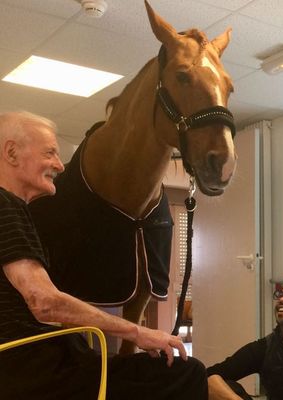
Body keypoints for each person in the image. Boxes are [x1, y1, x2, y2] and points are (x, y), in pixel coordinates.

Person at [0, 111, 207, 399]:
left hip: (30, 365)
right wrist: (138, 333)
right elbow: (43, 301)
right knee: (186, 371)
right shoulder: (4, 207)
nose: (59, 165)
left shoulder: (16, 210)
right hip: (29, 371)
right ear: (11, 153)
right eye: (50, 153)